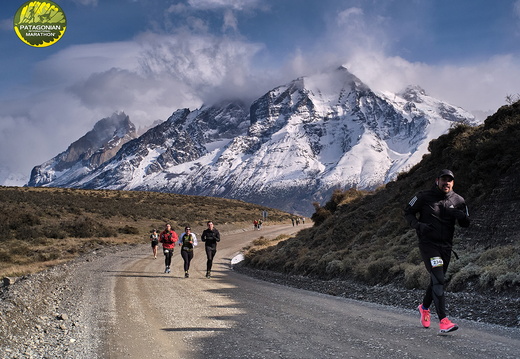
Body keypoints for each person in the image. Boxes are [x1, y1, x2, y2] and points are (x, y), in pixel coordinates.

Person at [404, 169, 470, 334]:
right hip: (428, 245)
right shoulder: (423, 196)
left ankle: (424, 307)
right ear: (437, 181)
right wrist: (419, 226)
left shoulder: (459, 200)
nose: (446, 182)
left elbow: (466, 223)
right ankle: (443, 321)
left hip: (446, 247)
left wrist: (461, 216)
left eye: (449, 180)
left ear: (453, 183)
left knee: (436, 280)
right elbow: (408, 212)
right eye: (443, 179)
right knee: (439, 279)